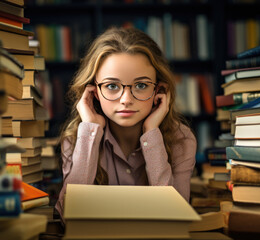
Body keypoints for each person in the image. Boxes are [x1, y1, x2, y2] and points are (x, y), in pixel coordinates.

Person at [55, 27, 197, 219]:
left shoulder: (181, 139)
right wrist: (90, 132)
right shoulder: (77, 139)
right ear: (94, 92)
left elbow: (176, 216)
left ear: (159, 91)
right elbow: (66, 214)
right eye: (112, 86)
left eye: (141, 85)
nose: (126, 99)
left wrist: (151, 132)